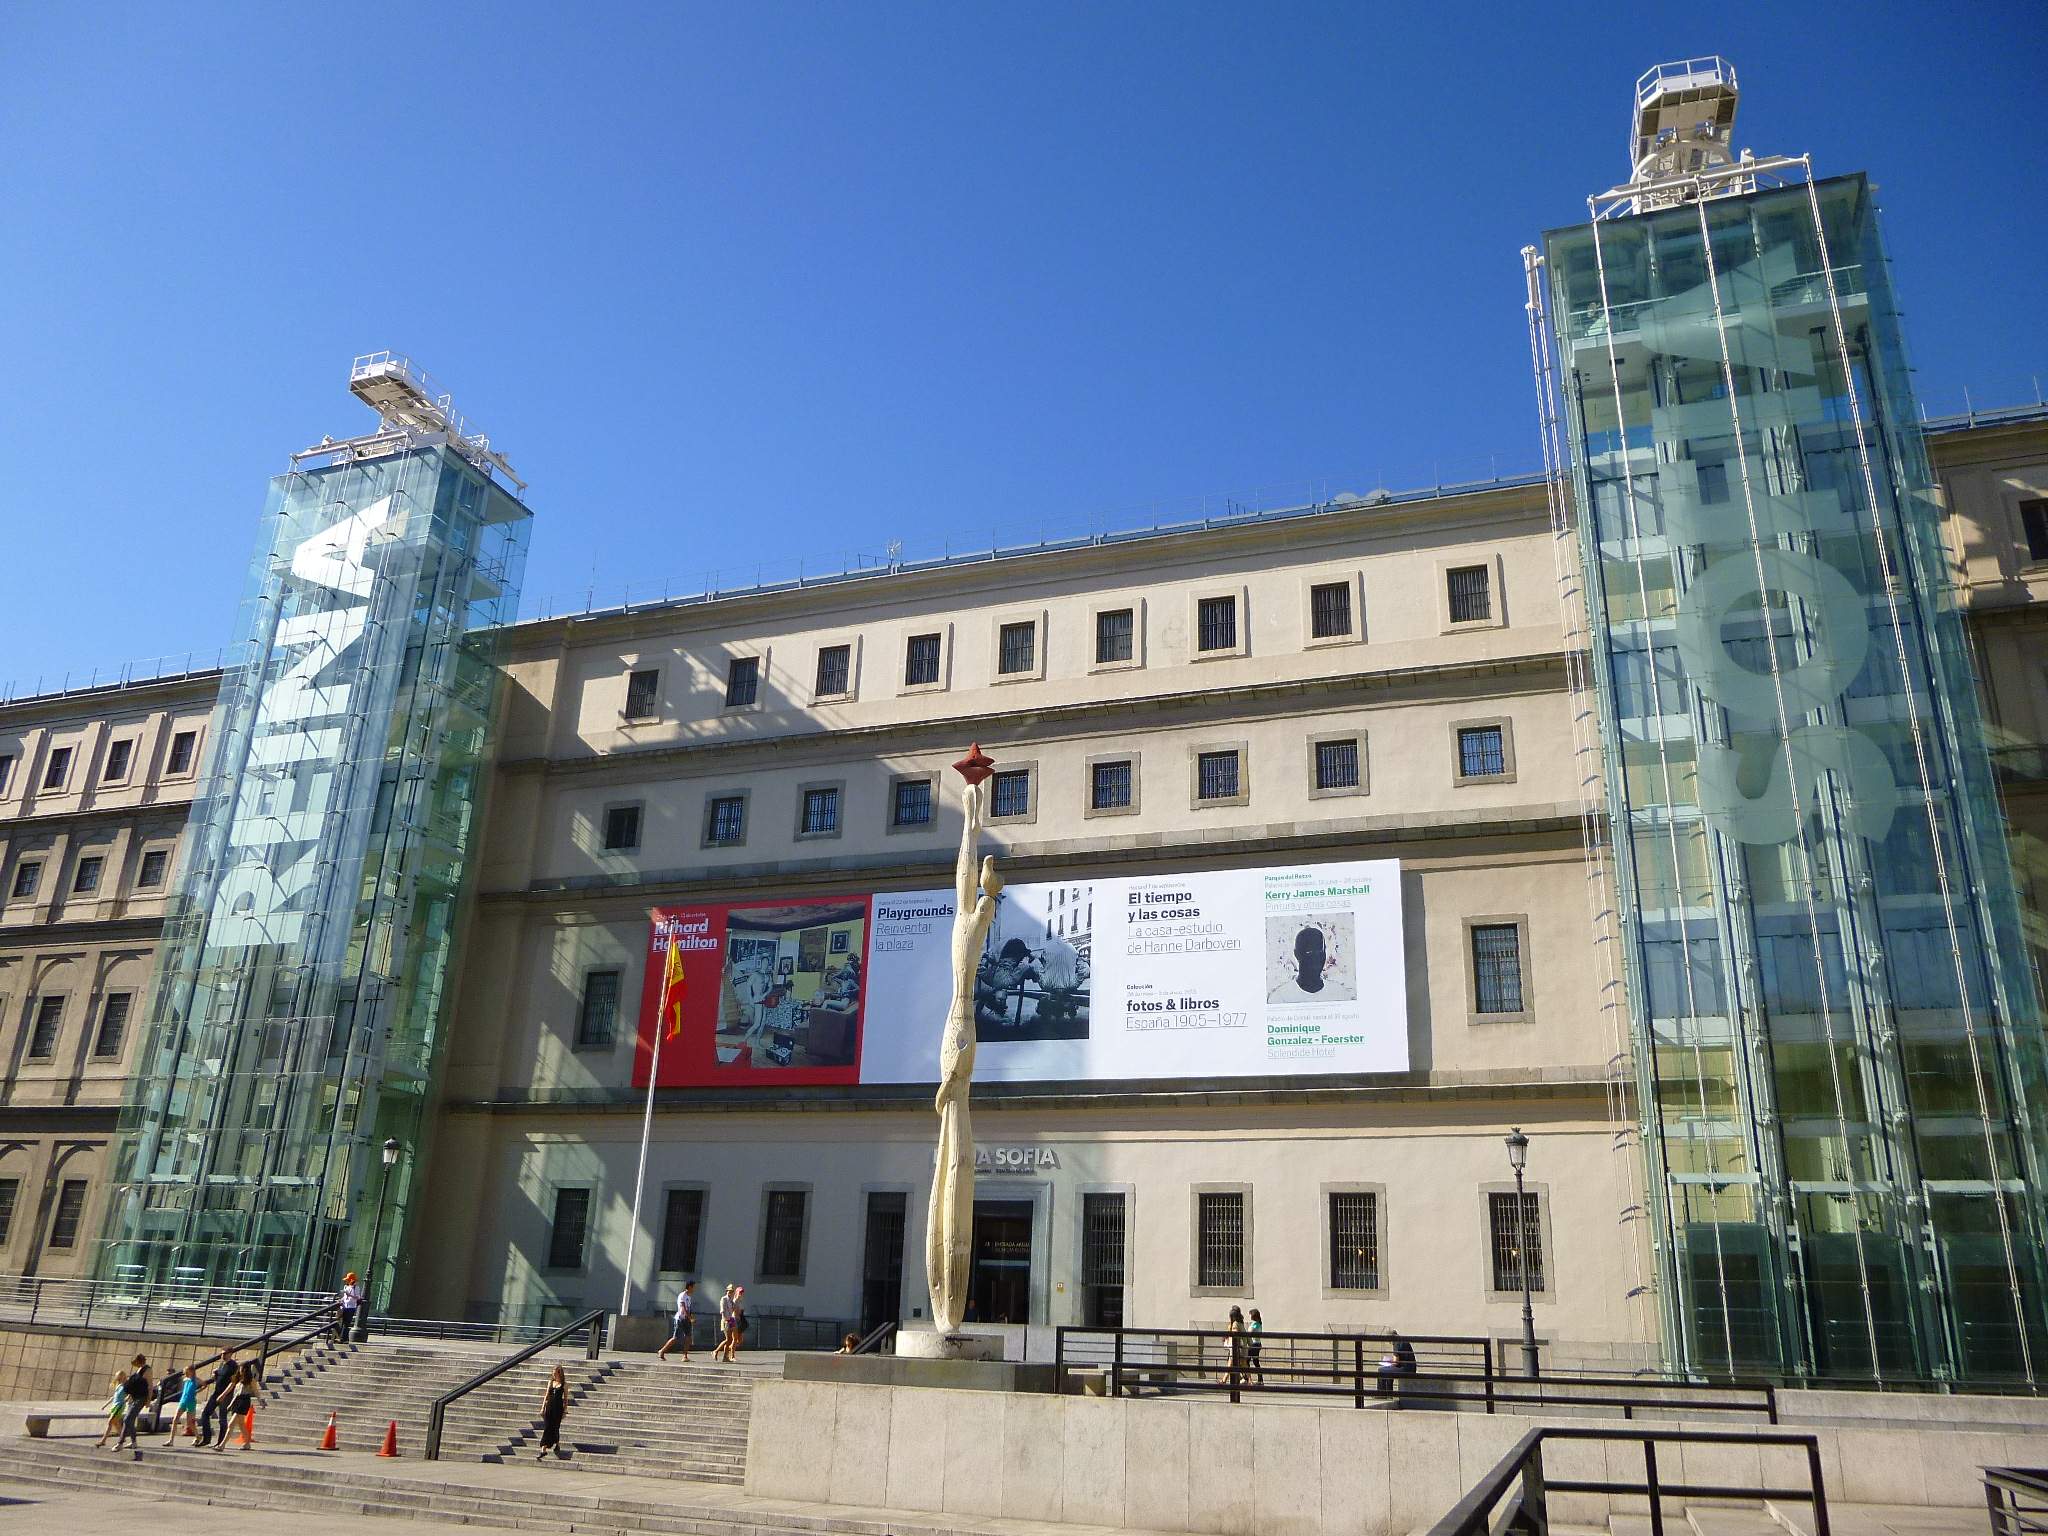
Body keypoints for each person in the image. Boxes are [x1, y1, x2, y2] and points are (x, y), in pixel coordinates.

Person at [196, 1349, 238, 1446]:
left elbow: (233, 1382)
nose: (222, 1355)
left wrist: (223, 1394)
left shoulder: (233, 1366)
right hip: (216, 1392)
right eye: (222, 1353)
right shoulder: (222, 1365)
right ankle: (207, 1438)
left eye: (225, 1353)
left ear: (230, 1354)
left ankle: (220, 1442)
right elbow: (218, 1378)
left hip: (225, 1394)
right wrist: (215, 1375)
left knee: (222, 1419)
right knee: (205, 1414)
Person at [113, 1355, 151, 1453]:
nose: (134, 1365)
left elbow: (150, 1386)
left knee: (127, 1418)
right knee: (129, 1420)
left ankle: (120, 1443)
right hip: (133, 1397)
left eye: (135, 1363)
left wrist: (148, 1401)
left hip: (141, 1398)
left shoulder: (147, 1370)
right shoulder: (139, 1370)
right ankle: (133, 1442)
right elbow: (135, 1385)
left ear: (139, 1361)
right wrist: (129, 1396)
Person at [215, 1363, 257, 1451]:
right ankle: (247, 1443)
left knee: (231, 1424)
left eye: (242, 1369)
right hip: (236, 1401)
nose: (240, 1371)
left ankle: (222, 1445)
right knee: (241, 1424)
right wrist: (228, 1401)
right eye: (240, 1369)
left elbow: (256, 1391)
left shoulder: (250, 1380)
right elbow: (234, 1392)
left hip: (244, 1401)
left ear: (246, 1370)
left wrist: (261, 1401)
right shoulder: (237, 1378)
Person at [657, 1280, 696, 1363]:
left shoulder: (689, 1297)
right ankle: (662, 1351)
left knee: (688, 1337)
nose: (694, 1289)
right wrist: (689, 1318)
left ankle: (685, 1356)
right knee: (675, 1338)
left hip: (686, 1319)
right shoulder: (682, 1295)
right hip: (680, 1319)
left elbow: (689, 1309)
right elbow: (683, 1307)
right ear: (689, 1287)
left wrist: (691, 1316)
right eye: (693, 1287)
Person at [536, 1365, 568, 1461]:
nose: (553, 1374)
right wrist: (542, 1408)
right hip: (549, 1407)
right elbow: (546, 1396)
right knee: (547, 1427)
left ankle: (557, 1443)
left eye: (555, 1372)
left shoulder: (564, 1384)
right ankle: (543, 1449)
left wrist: (565, 1411)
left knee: (555, 1427)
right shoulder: (550, 1382)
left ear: (559, 1373)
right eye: (552, 1372)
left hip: (558, 1408)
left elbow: (566, 1399)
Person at [164, 1365, 200, 1445]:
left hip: (191, 1402)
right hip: (183, 1400)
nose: (185, 1373)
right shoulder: (185, 1380)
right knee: (175, 1419)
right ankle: (171, 1440)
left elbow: (204, 1384)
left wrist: (198, 1391)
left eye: (187, 1371)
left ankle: (198, 1436)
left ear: (191, 1371)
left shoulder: (195, 1380)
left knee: (190, 1423)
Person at [92, 1370, 127, 1449]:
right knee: (115, 1423)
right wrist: (105, 1405)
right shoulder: (118, 1385)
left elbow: (129, 1395)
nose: (117, 1378)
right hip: (114, 1406)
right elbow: (114, 1397)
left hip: (119, 1406)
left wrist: (127, 1400)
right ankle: (122, 1437)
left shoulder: (125, 1386)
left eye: (118, 1376)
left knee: (110, 1422)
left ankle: (103, 1441)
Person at [1222, 1306, 1246, 1389]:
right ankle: (1246, 1380)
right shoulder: (1240, 1323)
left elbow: (1234, 1334)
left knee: (1231, 1364)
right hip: (1238, 1347)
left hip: (1234, 1347)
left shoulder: (1235, 1324)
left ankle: (1224, 1380)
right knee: (1242, 1364)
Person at [712, 1284, 737, 1363]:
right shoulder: (724, 1299)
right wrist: (725, 1319)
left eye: (732, 1291)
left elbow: (732, 1310)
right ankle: (715, 1351)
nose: (731, 1292)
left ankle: (725, 1357)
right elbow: (722, 1310)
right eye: (730, 1291)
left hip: (731, 1319)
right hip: (726, 1319)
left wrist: (734, 1307)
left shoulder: (731, 1301)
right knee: (727, 1339)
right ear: (727, 1291)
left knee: (730, 1340)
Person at [336, 1272, 363, 1342]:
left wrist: (349, 1295)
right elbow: (345, 1297)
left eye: (348, 1280)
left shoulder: (356, 1288)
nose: (346, 1281)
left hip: (351, 1307)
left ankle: (342, 1338)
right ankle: (344, 1338)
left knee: (346, 1323)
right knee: (342, 1322)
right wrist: (340, 1300)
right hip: (344, 1306)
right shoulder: (346, 1287)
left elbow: (358, 1297)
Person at [728, 1286, 749, 1360]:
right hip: (733, 1320)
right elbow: (734, 1311)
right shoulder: (735, 1300)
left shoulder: (740, 1301)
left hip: (738, 1320)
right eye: (740, 1292)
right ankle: (732, 1356)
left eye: (742, 1292)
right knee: (734, 1339)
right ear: (737, 1292)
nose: (741, 1294)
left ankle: (728, 1348)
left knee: (740, 1340)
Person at [1247, 1308, 1265, 1387]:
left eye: (1250, 1314)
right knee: (1256, 1362)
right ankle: (1260, 1379)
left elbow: (1250, 1332)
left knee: (1246, 1361)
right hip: (1257, 1344)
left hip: (1253, 1344)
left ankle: (1247, 1378)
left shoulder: (1255, 1324)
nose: (1250, 1316)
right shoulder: (1259, 1323)